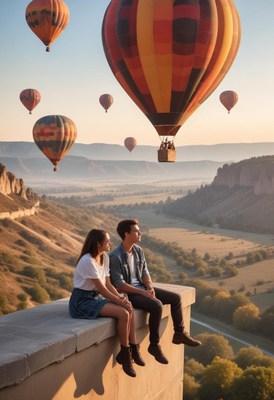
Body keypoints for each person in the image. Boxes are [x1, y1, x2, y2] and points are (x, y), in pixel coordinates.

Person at [109, 219, 201, 365]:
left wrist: (149, 287)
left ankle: (179, 333)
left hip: (142, 288)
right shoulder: (115, 256)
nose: (140, 233)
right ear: (126, 234)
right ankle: (154, 346)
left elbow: (145, 272)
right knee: (156, 305)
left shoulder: (138, 251)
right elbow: (119, 283)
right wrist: (142, 293)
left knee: (175, 298)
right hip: (130, 294)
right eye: (136, 231)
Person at [69, 228, 145, 378]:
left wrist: (121, 298)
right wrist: (119, 301)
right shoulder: (87, 261)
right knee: (123, 312)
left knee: (127, 305)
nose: (110, 243)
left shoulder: (105, 257)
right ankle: (125, 352)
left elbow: (109, 285)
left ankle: (133, 349)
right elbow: (102, 289)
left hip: (95, 297)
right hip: (82, 301)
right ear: (98, 244)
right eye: (107, 241)